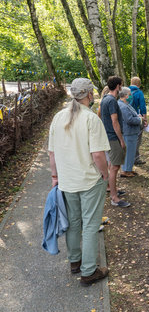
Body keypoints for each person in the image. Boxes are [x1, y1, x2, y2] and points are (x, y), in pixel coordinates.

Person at [48, 78, 110, 286]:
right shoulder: (91, 119)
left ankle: (75, 261)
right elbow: (98, 155)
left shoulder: (58, 117)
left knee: (74, 223)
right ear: (90, 95)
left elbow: (52, 153)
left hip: (67, 180)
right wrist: (105, 174)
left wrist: (55, 176)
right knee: (91, 225)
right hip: (90, 180)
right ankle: (89, 271)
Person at [100, 76, 131, 207]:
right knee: (115, 167)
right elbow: (115, 121)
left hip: (107, 136)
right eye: (121, 85)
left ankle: (112, 189)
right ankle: (114, 198)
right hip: (113, 138)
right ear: (118, 86)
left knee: (111, 165)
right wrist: (121, 140)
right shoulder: (112, 101)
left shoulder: (105, 99)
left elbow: (101, 116)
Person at [118, 87, 143, 177]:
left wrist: (138, 116)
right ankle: (125, 171)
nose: (131, 96)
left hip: (132, 132)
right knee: (128, 152)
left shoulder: (126, 104)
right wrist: (139, 119)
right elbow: (129, 119)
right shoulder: (122, 106)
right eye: (129, 94)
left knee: (131, 152)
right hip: (128, 132)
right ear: (125, 95)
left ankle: (129, 169)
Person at [129, 77, 147, 165]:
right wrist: (145, 119)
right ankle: (135, 158)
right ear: (138, 84)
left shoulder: (124, 91)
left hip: (126, 118)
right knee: (137, 138)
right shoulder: (139, 93)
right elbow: (142, 107)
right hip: (136, 118)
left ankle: (127, 158)